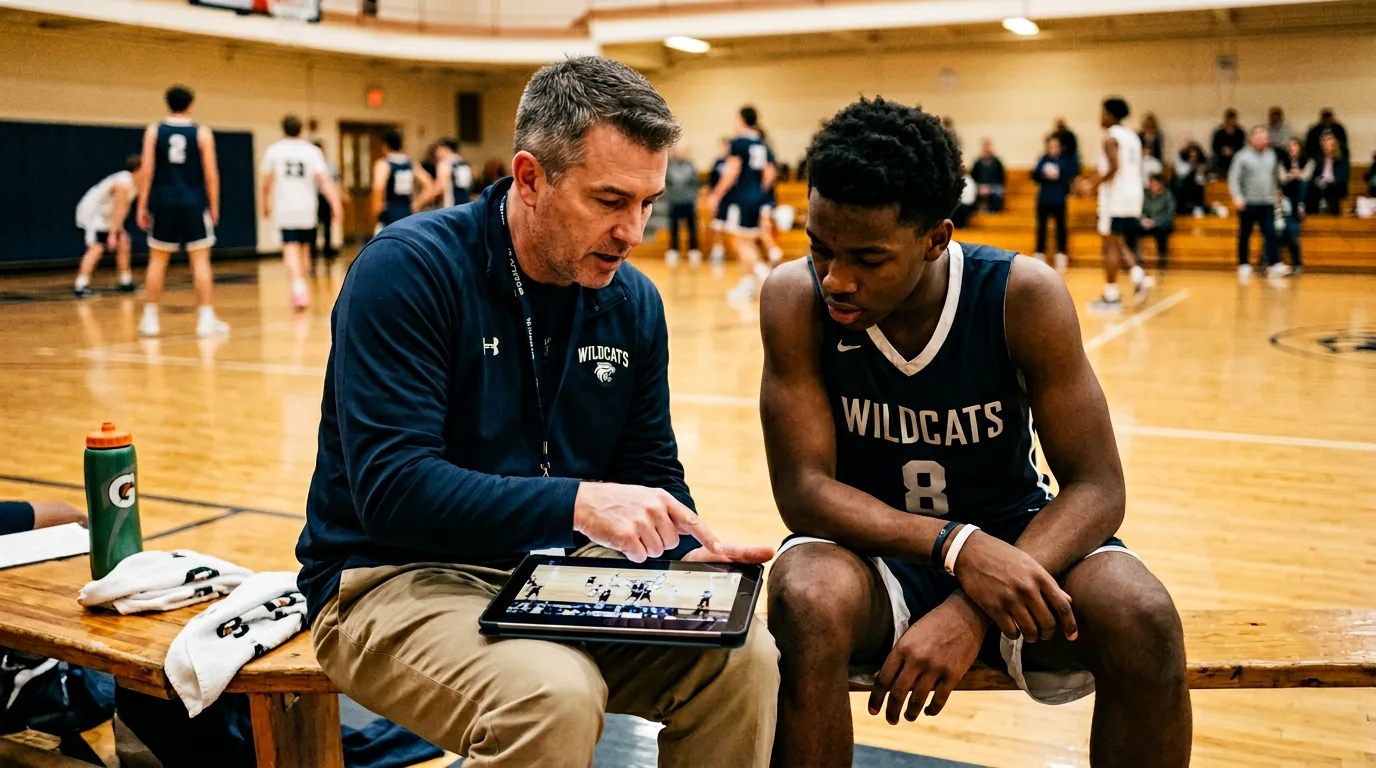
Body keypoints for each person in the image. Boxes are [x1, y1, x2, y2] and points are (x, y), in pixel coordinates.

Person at [295, 56, 778, 768]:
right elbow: (393, 494)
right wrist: (579, 505)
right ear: (529, 177)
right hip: (390, 577)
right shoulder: (407, 271)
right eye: (610, 201)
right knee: (553, 694)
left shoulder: (632, 301)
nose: (634, 231)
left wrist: (683, 552)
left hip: (556, 577)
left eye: (646, 203)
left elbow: (647, 470)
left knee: (743, 661)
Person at [759, 96, 1190, 768]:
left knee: (1144, 616)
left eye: (867, 258)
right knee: (806, 597)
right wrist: (958, 549)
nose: (836, 279)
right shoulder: (794, 298)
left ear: (936, 238)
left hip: (1020, 549)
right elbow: (804, 491)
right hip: (873, 562)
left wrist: (971, 609)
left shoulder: (1022, 295)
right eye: (820, 248)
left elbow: (1098, 487)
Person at [134, 84, 229, 338]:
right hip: (193, 202)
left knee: (157, 260)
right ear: (190, 104)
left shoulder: (154, 131)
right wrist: (214, 205)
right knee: (200, 261)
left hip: (164, 202)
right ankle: (205, 320)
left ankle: (150, 319)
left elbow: (147, 170)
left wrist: (142, 205)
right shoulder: (202, 133)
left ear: (168, 103)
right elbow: (211, 173)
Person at [1074, 96, 1151, 311]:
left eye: (1101, 112)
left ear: (1108, 114)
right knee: (1116, 241)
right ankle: (1138, 277)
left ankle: (1111, 296)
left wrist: (1090, 184)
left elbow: (1114, 166)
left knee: (1109, 244)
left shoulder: (1111, 137)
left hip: (1116, 195)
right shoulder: (1132, 136)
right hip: (1134, 195)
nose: (1099, 117)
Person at [260, 114, 343, 310]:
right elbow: (324, 181)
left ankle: (298, 286)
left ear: (283, 129)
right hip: (307, 209)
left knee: (290, 249)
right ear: (301, 130)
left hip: (285, 209)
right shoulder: (312, 151)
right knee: (304, 250)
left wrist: (264, 205)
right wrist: (336, 203)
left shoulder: (274, 151)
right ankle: (301, 285)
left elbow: (266, 184)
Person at [707, 106, 777, 302]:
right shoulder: (762, 143)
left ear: (741, 119)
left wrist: (716, 194)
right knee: (747, 241)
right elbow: (770, 173)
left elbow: (732, 171)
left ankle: (754, 280)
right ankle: (750, 281)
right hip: (757, 197)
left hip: (741, 198)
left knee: (740, 242)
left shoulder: (739, 142)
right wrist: (758, 192)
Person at [73, 154, 144, 297]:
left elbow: (121, 211)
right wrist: (113, 233)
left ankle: (125, 282)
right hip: (94, 215)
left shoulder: (135, 183)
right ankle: (80, 286)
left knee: (124, 242)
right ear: (138, 169)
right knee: (97, 247)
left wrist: (117, 229)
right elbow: (119, 208)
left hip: (107, 216)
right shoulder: (123, 183)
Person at [1229, 126, 1287, 280]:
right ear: (1252, 139)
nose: (1263, 141)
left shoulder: (1272, 155)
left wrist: (1276, 192)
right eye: (1260, 137)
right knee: (1244, 234)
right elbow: (1234, 178)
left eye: (1265, 138)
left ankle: (1274, 264)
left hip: (1267, 202)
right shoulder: (1242, 156)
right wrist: (1237, 197)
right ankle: (1243, 264)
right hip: (1248, 202)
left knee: (1270, 233)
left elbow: (1274, 176)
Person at [371, 128, 432, 233]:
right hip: (407, 210)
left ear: (385, 145)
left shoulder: (384, 164)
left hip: (390, 211)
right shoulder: (410, 163)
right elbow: (429, 185)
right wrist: (417, 203)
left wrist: (375, 212)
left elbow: (378, 188)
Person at [1031, 135, 1075, 272]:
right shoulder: (1042, 159)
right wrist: (1043, 174)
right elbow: (1034, 175)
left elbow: (1070, 175)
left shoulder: (1065, 160)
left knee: (1061, 228)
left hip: (1059, 199)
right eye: (1049, 146)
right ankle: (1040, 253)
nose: (1052, 149)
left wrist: (1059, 174)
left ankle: (1061, 255)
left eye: (1055, 146)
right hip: (1044, 199)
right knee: (1041, 228)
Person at [663, 142, 702, 268]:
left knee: (692, 228)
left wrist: (694, 197)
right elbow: (667, 182)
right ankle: (674, 251)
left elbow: (696, 183)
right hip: (674, 202)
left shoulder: (691, 166)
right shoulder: (670, 166)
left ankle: (693, 251)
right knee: (674, 228)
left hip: (689, 202)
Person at [310, 139, 344, 267]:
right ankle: (312, 251)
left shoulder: (328, 165)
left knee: (327, 225)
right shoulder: (311, 164)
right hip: (314, 197)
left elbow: (335, 181)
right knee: (313, 226)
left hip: (326, 198)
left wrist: (337, 198)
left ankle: (327, 248)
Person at [1130, 174, 1175, 269]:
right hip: (1145, 222)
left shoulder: (1168, 195)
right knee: (1131, 230)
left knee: (1162, 233)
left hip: (1161, 224)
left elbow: (1170, 214)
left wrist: (1155, 222)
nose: (1152, 186)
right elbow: (1138, 209)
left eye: (1155, 183)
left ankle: (1162, 260)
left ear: (1160, 184)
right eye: (1151, 183)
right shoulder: (1144, 195)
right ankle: (1134, 260)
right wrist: (1142, 220)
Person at [1307, 131, 1350, 216]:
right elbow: (1314, 176)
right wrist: (1318, 181)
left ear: (1334, 142)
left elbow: (1343, 177)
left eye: (1328, 140)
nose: (1326, 143)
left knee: (1331, 191)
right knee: (1311, 190)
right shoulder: (1318, 159)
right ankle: (1312, 219)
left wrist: (1329, 181)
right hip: (1319, 188)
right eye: (1324, 140)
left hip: (1335, 188)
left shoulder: (1341, 159)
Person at [425, 137, 474, 209]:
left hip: (452, 206)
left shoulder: (445, 163)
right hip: (466, 205)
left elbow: (439, 188)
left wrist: (422, 200)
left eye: (437, 150)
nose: (436, 154)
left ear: (446, 149)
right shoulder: (463, 162)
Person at [706, 137, 731, 271]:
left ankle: (724, 251)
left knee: (727, 227)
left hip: (730, 199)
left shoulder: (734, 162)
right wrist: (711, 196)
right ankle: (717, 251)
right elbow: (711, 181)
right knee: (717, 225)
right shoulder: (718, 162)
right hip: (718, 199)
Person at [1173, 140, 1208, 217]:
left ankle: (1197, 207)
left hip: (1196, 187)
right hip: (1184, 185)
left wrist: (1198, 169)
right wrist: (1190, 166)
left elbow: (1201, 180)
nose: (1193, 155)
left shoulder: (1202, 163)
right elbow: (1180, 173)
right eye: (1191, 153)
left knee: (1198, 185)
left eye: (1195, 153)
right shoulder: (1183, 161)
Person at [971, 140, 1005, 213]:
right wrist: (980, 187)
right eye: (984, 146)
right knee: (971, 193)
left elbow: (1001, 177)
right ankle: (976, 212)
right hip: (979, 186)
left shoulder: (997, 162)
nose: (986, 148)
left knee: (997, 193)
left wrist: (989, 187)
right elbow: (973, 176)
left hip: (994, 186)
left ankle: (995, 212)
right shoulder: (977, 162)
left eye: (988, 146)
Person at [1211, 108, 1245, 176]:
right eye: (1229, 119)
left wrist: (1233, 151)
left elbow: (1241, 146)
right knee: (1214, 158)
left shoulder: (1240, 132)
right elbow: (1214, 146)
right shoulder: (1219, 132)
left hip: (1235, 155)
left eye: (1233, 119)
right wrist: (1222, 150)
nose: (1231, 122)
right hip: (1221, 156)